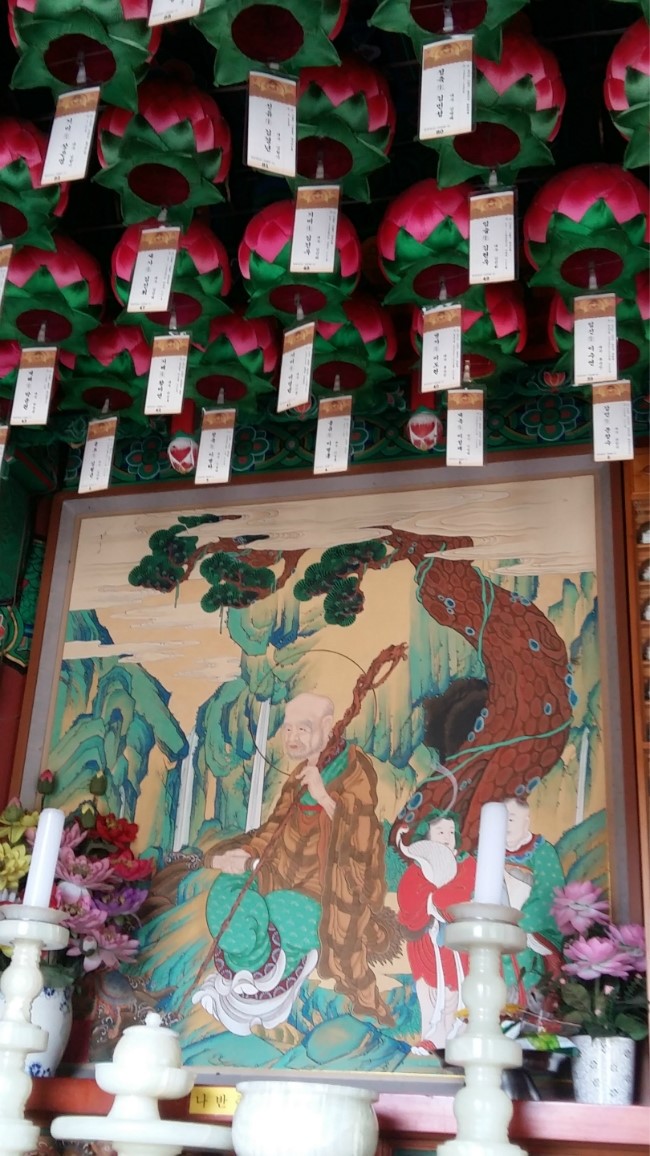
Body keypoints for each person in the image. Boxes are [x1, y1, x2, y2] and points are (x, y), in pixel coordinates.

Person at [194, 692, 395, 1035]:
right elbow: (274, 829)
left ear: (328, 727)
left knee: (281, 912)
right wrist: (248, 853)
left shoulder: (354, 771)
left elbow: (362, 837)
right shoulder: (299, 775)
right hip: (278, 874)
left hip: (323, 889)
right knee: (226, 891)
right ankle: (247, 966)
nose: (293, 737)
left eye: (303, 729)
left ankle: (257, 986)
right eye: (288, 729)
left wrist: (323, 796)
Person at [396, 811, 476, 1053]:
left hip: (455, 943)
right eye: (440, 832)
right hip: (424, 943)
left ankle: (454, 1037)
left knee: (454, 991)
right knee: (427, 993)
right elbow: (409, 902)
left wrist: (436, 899)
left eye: (451, 832)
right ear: (426, 836)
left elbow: (463, 892)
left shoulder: (466, 865)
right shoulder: (416, 870)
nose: (447, 837)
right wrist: (431, 900)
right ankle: (430, 1036)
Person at [502, 796, 564, 999]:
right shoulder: (489, 853)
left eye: (511, 819)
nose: (506, 824)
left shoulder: (542, 851)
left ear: (526, 821)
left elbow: (548, 891)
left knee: (526, 964)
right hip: (497, 929)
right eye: (502, 819)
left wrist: (520, 922)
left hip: (529, 930)